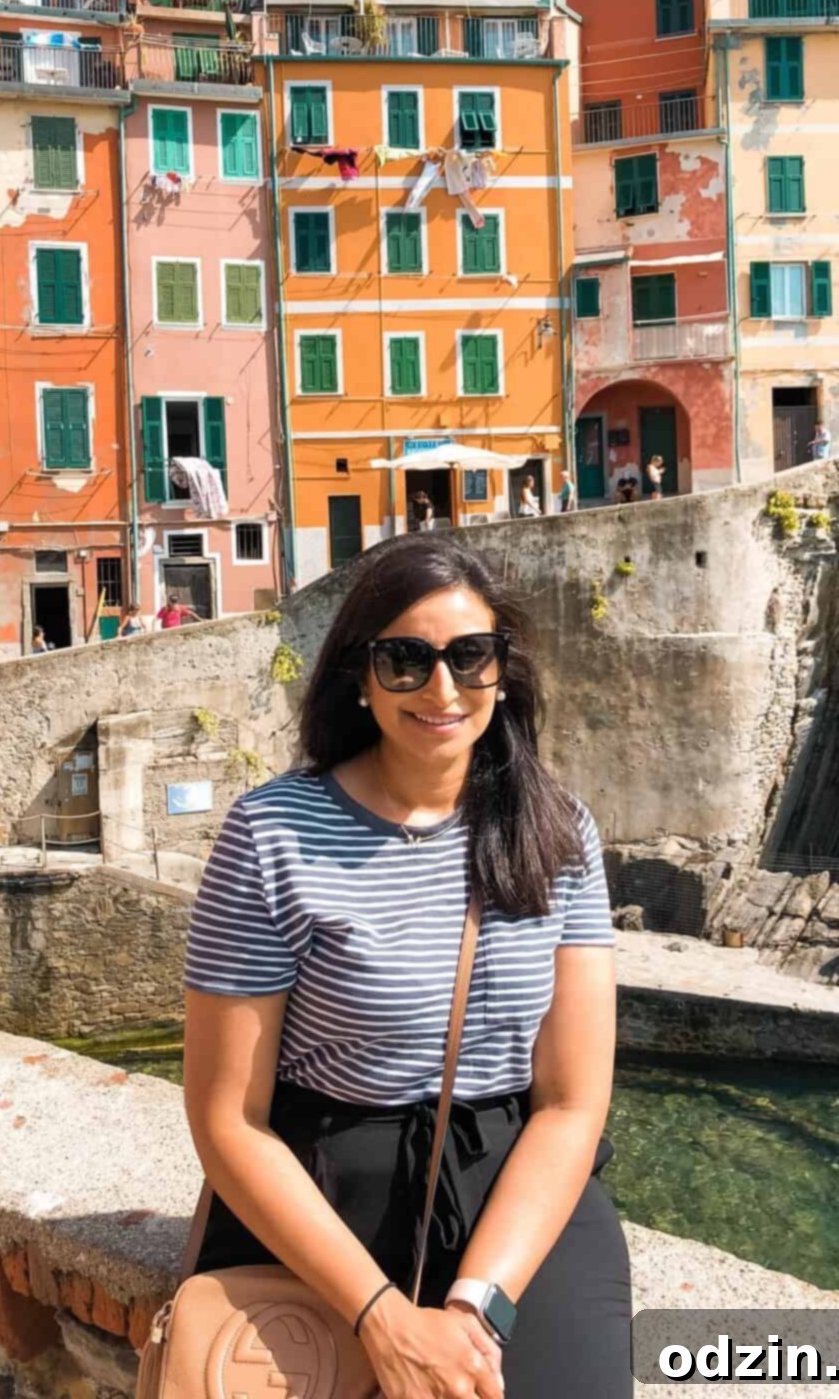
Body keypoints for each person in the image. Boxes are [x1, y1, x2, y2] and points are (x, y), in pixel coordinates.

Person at [182, 535, 630, 1399]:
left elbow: (573, 1102)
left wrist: (473, 1310)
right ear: (360, 674)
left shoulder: (560, 833)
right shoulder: (273, 835)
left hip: (518, 1185)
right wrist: (379, 1316)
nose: (443, 688)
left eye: (471, 657)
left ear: (504, 671)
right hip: (327, 1187)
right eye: (406, 661)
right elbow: (227, 1119)